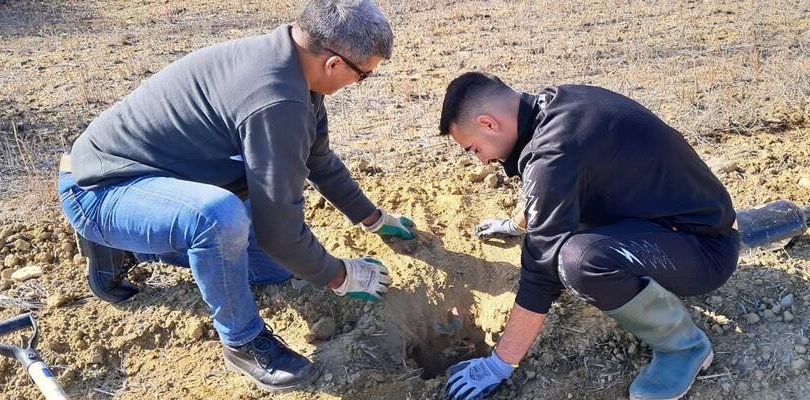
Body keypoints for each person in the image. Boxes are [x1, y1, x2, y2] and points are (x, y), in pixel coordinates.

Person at [57, 0, 415, 393]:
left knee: (275, 267)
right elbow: (279, 231)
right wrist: (340, 275)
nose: (357, 85)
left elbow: (319, 160)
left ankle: (131, 247)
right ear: (334, 64)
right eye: (362, 76)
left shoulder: (293, 68)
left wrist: (373, 218)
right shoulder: (276, 99)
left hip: (163, 184)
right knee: (218, 218)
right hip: (100, 188)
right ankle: (243, 343)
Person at [438, 72, 740, 400]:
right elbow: (556, 187)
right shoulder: (559, 105)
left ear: (488, 123)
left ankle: (684, 347)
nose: (483, 160)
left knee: (577, 262)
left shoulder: (551, 152)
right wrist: (515, 224)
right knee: (567, 235)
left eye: (474, 149)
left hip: (705, 249)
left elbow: (540, 270)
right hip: (690, 220)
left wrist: (499, 364)